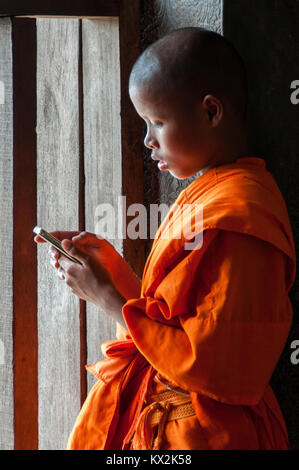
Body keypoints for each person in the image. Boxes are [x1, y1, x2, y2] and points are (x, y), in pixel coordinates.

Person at [35, 27, 296, 450]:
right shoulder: (213, 191)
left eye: (157, 121)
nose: (147, 141)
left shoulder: (242, 215)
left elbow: (216, 365)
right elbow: (180, 322)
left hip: (203, 433)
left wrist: (108, 299)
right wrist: (115, 275)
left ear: (211, 112)